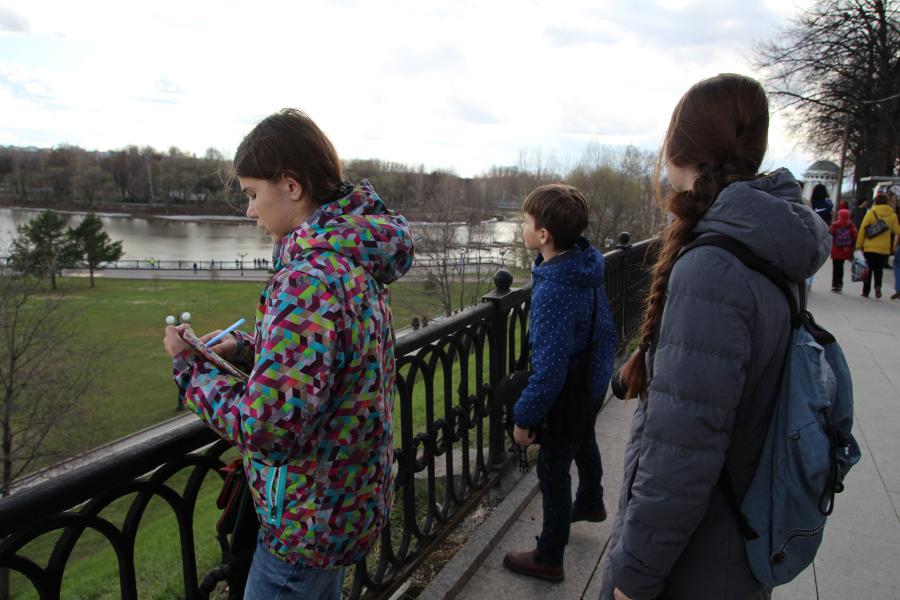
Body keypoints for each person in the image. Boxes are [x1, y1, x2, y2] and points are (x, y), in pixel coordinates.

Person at [163, 109, 414, 600]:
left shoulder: (307, 280)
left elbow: (267, 429)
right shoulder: (352, 259)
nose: (249, 211)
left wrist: (190, 368)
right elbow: (333, 362)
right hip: (346, 500)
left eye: (253, 193)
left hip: (306, 521)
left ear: (292, 186)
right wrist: (246, 350)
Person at [600, 74, 830, 600]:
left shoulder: (713, 269)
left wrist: (635, 573)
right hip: (738, 535)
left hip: (700, 561)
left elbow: (683, 450)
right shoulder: (767, 239)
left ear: (679, 150)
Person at [502, 183, 617, 583]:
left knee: (552, 471)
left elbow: (549, 369)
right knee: (583, 437)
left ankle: (549, 556)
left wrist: (524, 418)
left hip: (567, 391)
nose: (522, 227)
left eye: (525, 222)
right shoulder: (585, 265)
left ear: (543, 235)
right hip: (591, 381)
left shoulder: (555, 288)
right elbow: (604, 328)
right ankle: (591, 500)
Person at [856, 193, 900, 299]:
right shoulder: (893, 215)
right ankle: (878, 286)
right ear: (887, 202)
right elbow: (897, 230)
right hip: (884, 249)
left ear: (875, 202)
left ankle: (866, 291)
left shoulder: (871, 213)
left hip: (869, 247)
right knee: (879, 269)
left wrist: (858, 245)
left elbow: (862, 230)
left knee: (868, 269)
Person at [829, 208, 857, 292]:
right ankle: (840, 284)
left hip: (836, 249)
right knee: (841, 266)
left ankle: (835, 285)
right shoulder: (851, 225)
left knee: (836, 267)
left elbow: (830, 234)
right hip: (845, 250)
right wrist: (852, 246)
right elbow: (855, 235)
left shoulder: (835, 225)